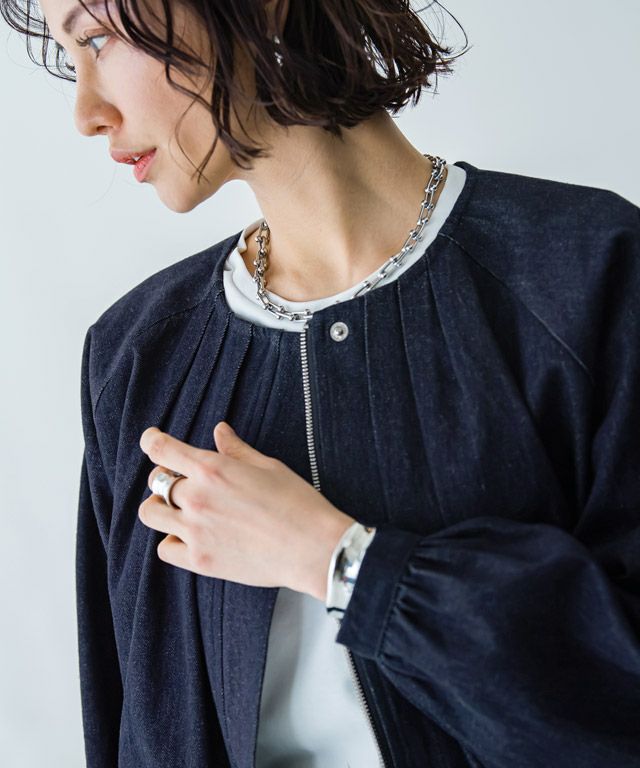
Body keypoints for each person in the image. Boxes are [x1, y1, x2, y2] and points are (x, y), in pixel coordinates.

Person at [4, 0, 639, 766]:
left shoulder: (589, 274)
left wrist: (338, 560)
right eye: (68, 56)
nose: (85, 113)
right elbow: (127, 730)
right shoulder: (137, 355)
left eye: (99, 38)